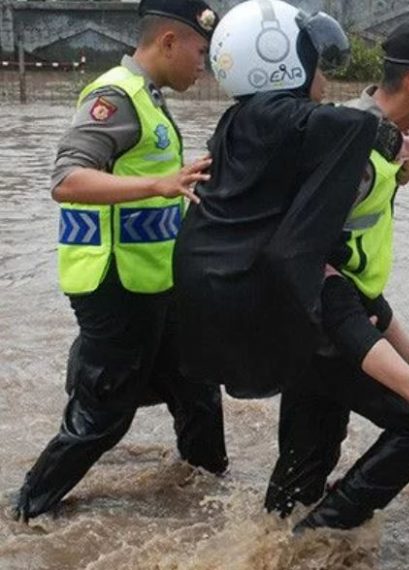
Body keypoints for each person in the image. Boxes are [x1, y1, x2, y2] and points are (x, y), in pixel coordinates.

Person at [263, 26, 409, 532]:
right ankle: (321, 537)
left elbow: (351, 247)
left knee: (302, 470)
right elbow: (304, 250)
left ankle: (275, 549)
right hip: (328, 326)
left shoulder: (376, 137)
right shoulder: (355, 147)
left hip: (321, 325)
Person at [13, 0, 228, 522]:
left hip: (156, 283)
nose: (205, 64)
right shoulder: (115, 95)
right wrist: (158, 182)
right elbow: (66, 180)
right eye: (200, 51)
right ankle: (25, 513)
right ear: (169, 42)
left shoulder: (149, 98)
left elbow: (145, 179)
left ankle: (211, 501)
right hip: (114, 285)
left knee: (198, 387)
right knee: (104, 418)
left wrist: (180, 177)